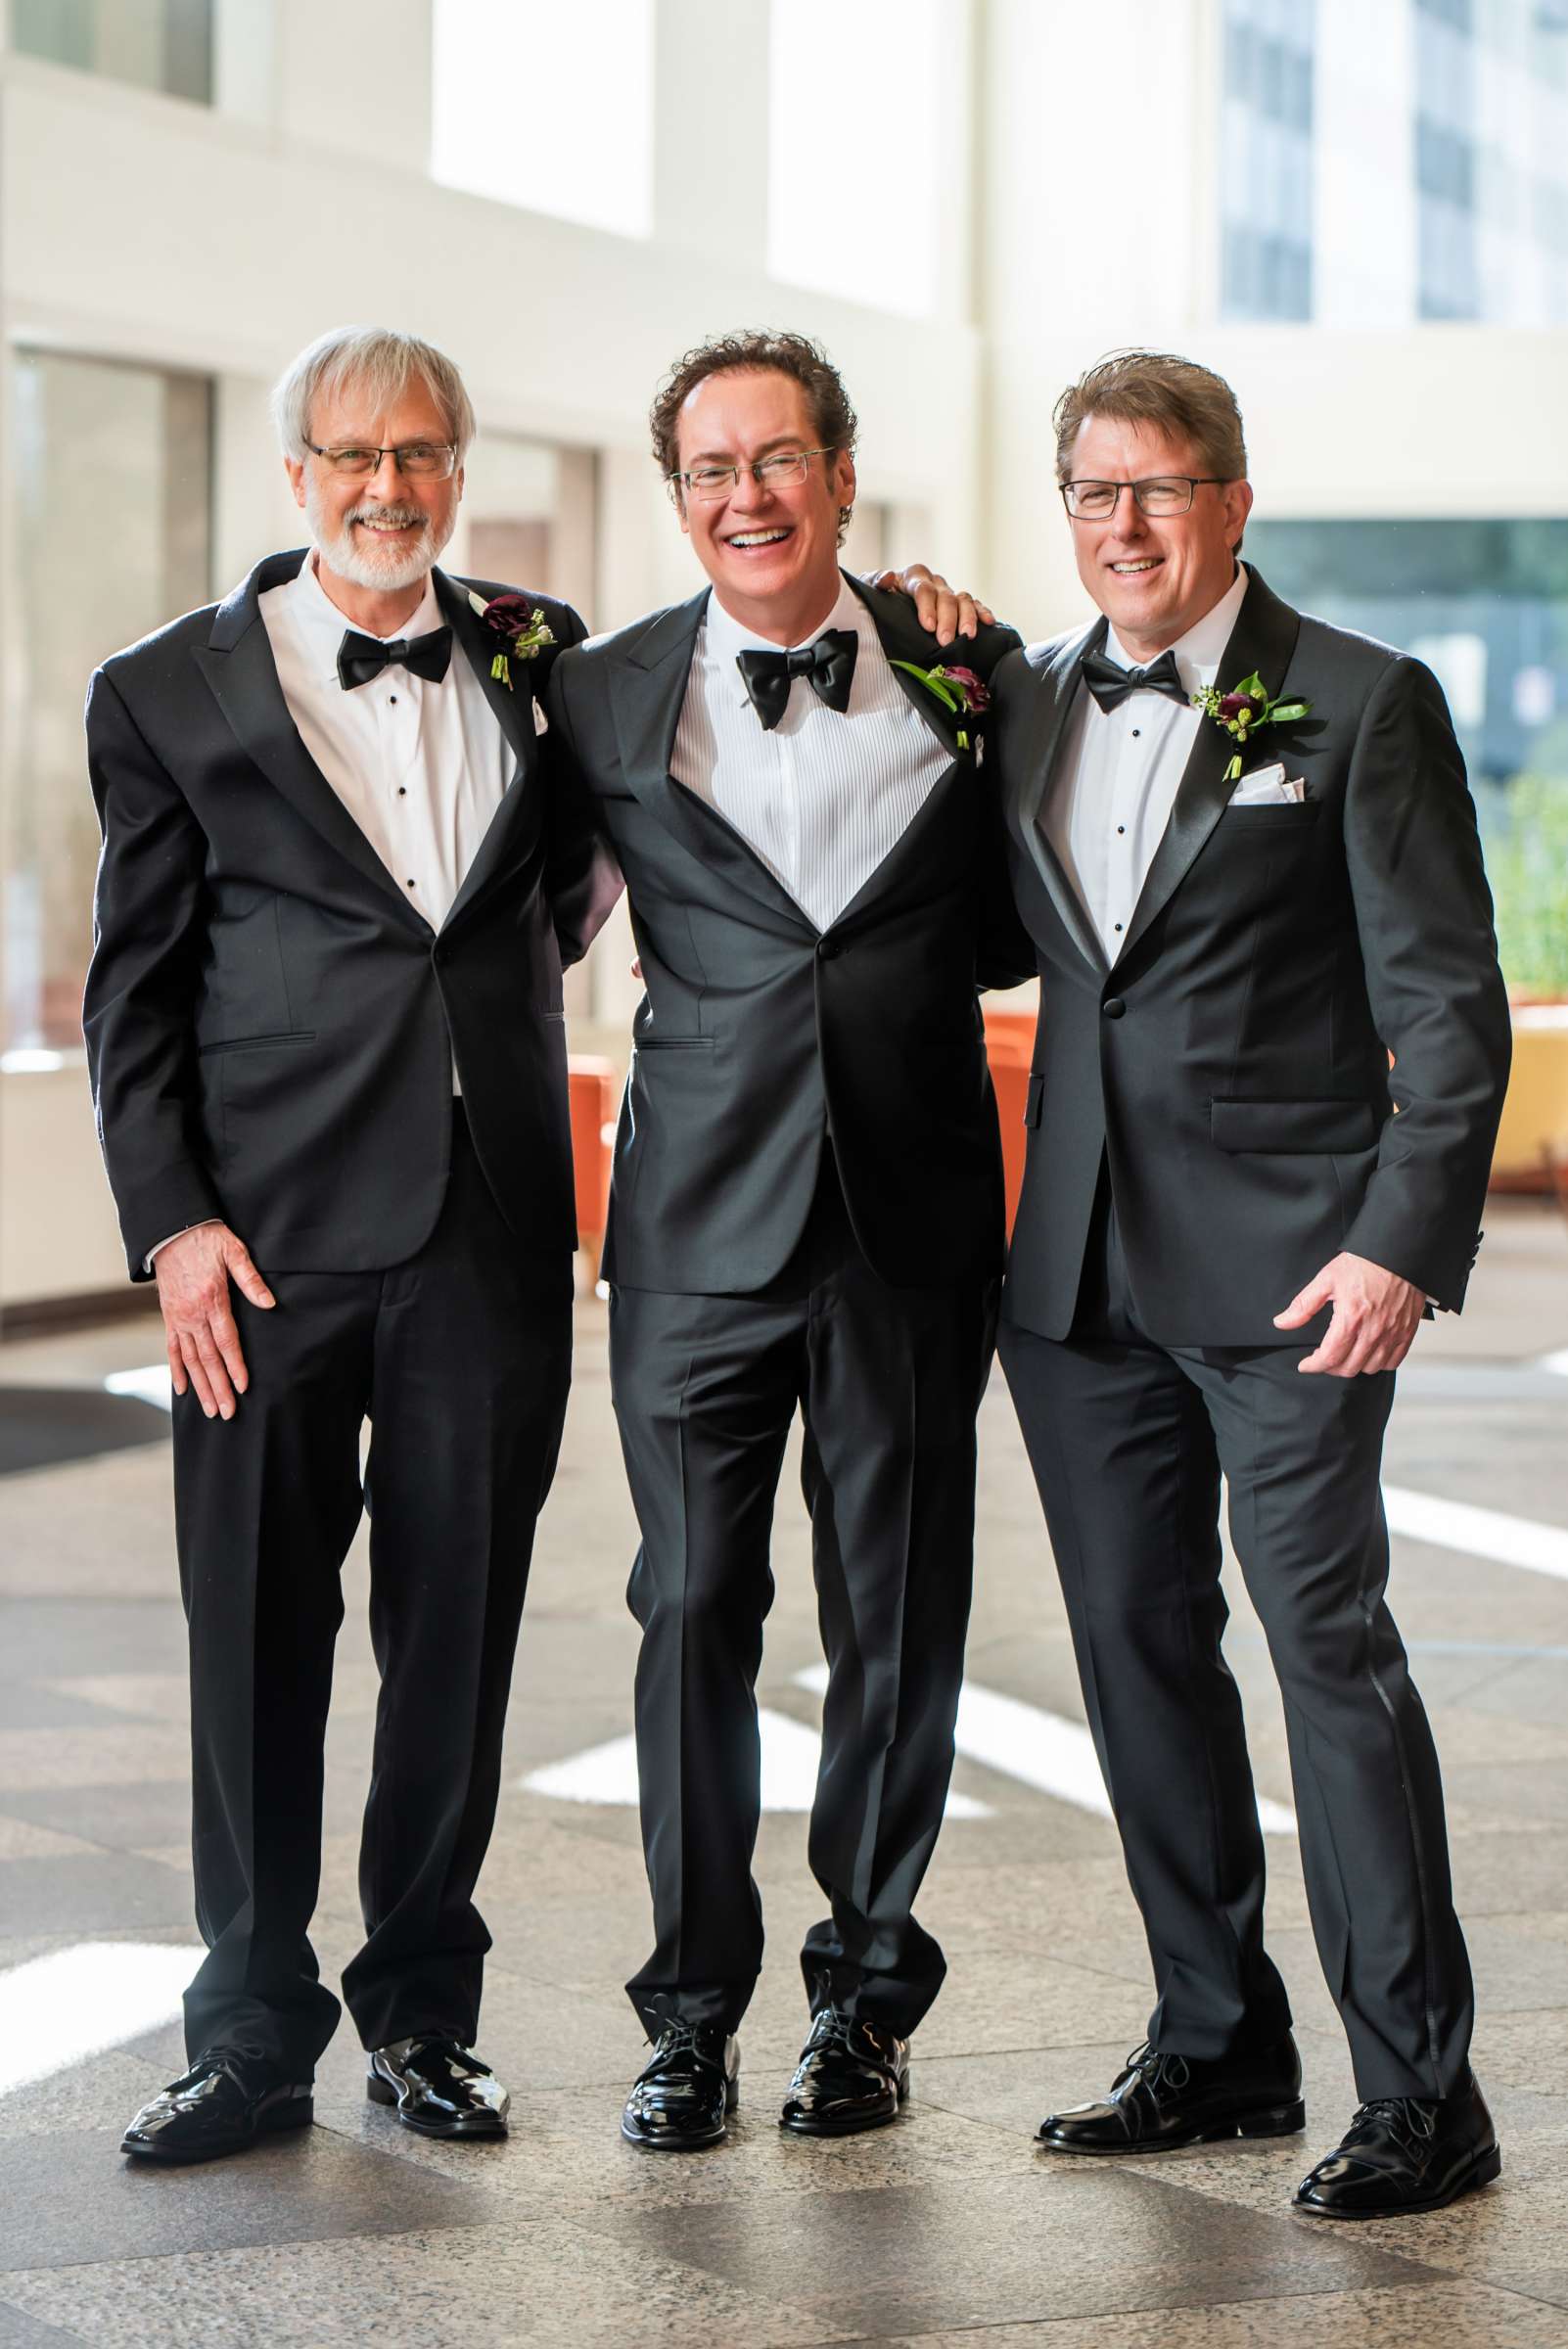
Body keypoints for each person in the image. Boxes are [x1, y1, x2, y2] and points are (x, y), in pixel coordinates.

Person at [84, 324, 621, 2163]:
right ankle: (246, 2034)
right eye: (352, 454)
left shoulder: (546, 664)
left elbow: (548, 907)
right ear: (294, 472)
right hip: (263, 1247)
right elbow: (134, 996)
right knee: (251, 1639)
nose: (388, 485)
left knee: (454, 1640)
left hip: (486, 1230)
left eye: (421, 452)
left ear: (456, 467)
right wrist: (169, 1226)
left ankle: (423, 2014)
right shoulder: (164, 692)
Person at [989, 349, 1512, 2219]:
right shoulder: (1028, 701)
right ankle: (1215, 2042)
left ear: (1228, 498)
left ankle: (1419, 2092)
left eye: (1155, 487)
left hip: (1296, 1274)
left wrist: (1397, 1244)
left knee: (1325, 1655)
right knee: (1137, 1657)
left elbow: (1446, 1004)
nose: (1119, 524)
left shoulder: (1361, 701)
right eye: (1088, 491)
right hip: (1073, 1282)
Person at [546, 330, 1028, 2150]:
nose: (743, 496)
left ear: (838, 468)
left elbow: (1019, 917)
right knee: (690, 1613)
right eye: (706, 470)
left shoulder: (970, 669)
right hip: (687, 1228)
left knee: (897, 1617)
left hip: (909, 1221)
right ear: (678, 497)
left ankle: (866, 2006)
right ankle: (687, 2017)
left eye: (775, 459)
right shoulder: (590, 699)